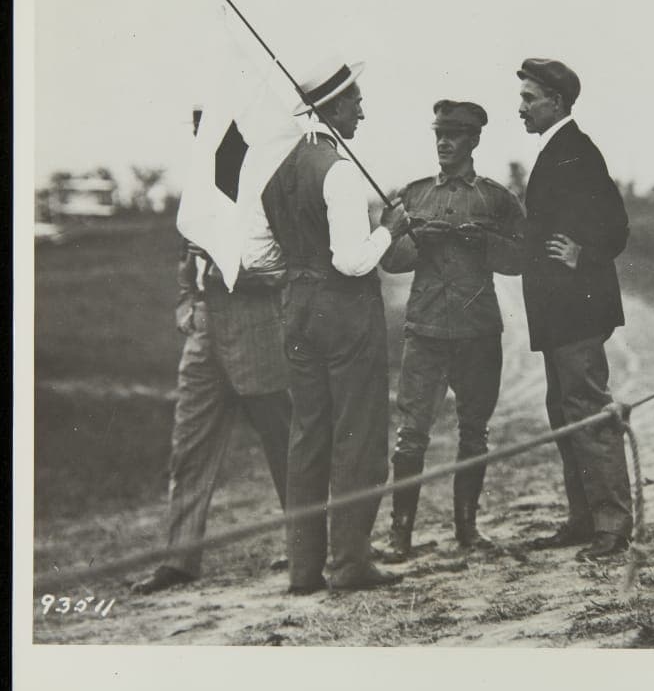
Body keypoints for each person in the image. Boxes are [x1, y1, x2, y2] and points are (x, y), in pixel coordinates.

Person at [260, 53, 412, 594]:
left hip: (296, 308)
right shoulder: (340, 170)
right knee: (359, 437)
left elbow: (264, 256)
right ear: (335, 105)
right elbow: (352, 260)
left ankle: (304, 571)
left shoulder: (275, 171)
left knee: (307, 438)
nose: (362, 114)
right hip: (344, 311)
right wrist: (390, 229)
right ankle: (349, 563)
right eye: (357, 103)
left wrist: (301, 280)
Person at [132, 109, 291, 595]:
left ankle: (307, 540)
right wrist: (187, 301)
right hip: (205, 337)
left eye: (215, 132)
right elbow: (188, 259)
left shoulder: (264, 187)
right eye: (199, 132)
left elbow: (284, 267)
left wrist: (232, 276)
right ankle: (179, 560)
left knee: (283, 443)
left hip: (258, 330)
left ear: (236, 134)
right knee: (189, 446)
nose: (206, 141)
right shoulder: (199, 193)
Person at [380, 100, 525, 561]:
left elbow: (521, 260)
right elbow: (390, 259)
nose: (444, 142)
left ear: (474, 140)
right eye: (439, 133)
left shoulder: (496, 199)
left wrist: (480, 242)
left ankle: (468, 530)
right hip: (424, 331)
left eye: (454, 135)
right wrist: (415, 238)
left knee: (474, 432)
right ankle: (400, 536)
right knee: (410, 435)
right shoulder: (413, 195)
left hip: (477, 332)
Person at [516, 58, 633, 561]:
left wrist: (583, 255)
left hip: (577, 310)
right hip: (556, 311)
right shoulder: (554, 152)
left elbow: (615, 226)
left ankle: (613, 525)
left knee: (586, 412)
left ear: (556, 103)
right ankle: (584, 518)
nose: (520, 108)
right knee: (565, 412)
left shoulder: (578, 152)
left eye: (529, 98)